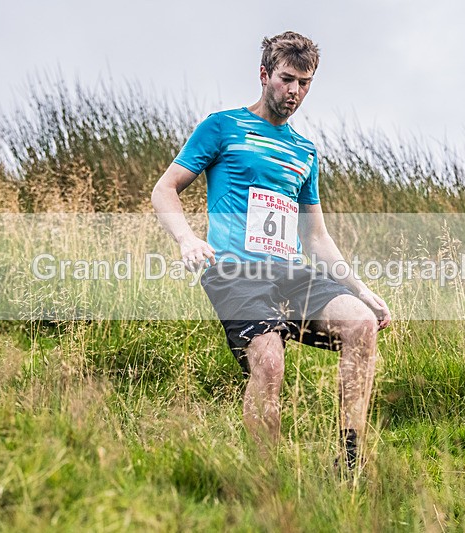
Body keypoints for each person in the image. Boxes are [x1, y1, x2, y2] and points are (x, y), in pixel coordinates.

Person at [151, 31, 391, 471]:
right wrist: (187, 238)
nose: (295, 91)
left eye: (305, 82)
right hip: (233, 270)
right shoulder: (222, 126)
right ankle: (265, 481)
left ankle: (349, 463)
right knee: (269, 361)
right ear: (264, 75)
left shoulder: (304, 152)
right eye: (286, 79)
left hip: (289, 271)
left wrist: (360, 289)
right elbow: (164, 189)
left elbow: (316, 236)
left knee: (360, 324)